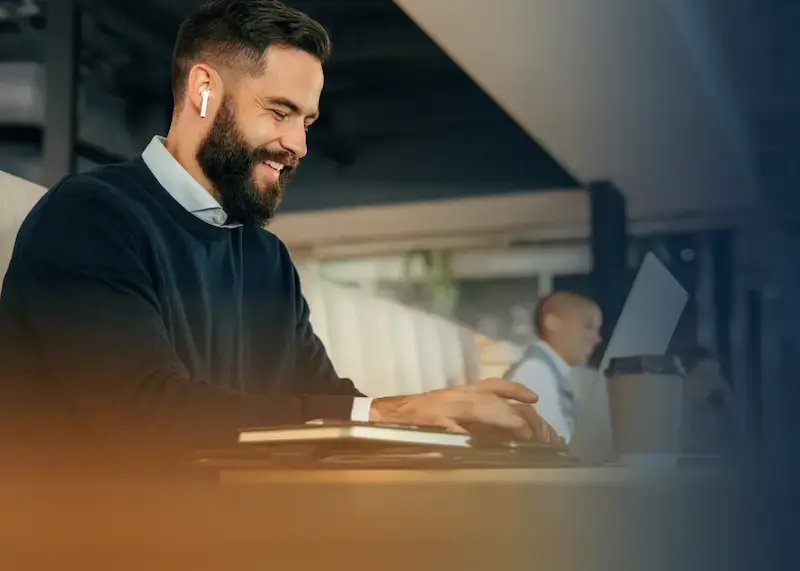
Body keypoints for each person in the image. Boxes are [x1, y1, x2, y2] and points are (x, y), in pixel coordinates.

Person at [0, 0, 559, 471]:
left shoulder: (265, 257)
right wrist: (392, 413)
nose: (299, 145)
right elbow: (145, 415)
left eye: (307, 122)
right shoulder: (89, 217)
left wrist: (450, 431)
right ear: (203, 90)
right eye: (280, 111)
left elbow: (327, 403)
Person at [503, 292, 602, 441]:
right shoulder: (535, 372)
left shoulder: (544, 371)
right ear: (552, 323)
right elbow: (557, 449)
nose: (597, 339)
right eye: (587, 326)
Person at [676, 345, 741, 454]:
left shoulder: (708, 413)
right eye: (704, 377)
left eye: (714, 378)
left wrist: (728, 398)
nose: (710, 385)